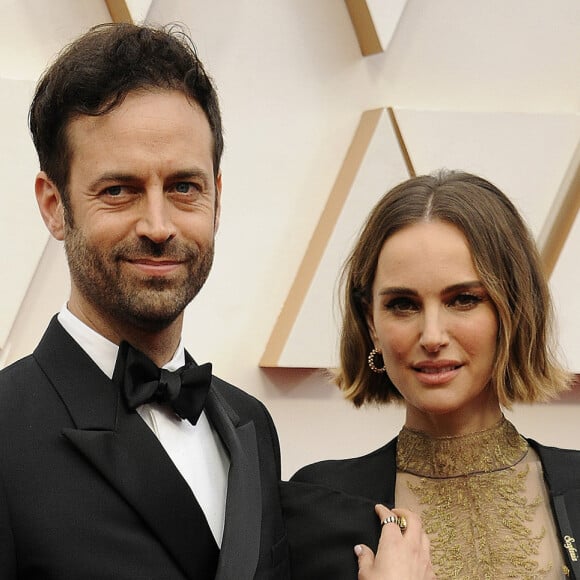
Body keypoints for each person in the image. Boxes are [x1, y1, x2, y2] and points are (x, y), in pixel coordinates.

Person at [0, 23, 290, 579]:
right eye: (119, 190)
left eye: (184, 187)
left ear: (217, 199)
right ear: (54, 205)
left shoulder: (252, 425)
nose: (158, 226)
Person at [282, 170, 580, 579]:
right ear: (372, 323)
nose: (432, 335)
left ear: (511, 310)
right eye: (403, 304)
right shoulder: (316, 505)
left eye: (463, 299)